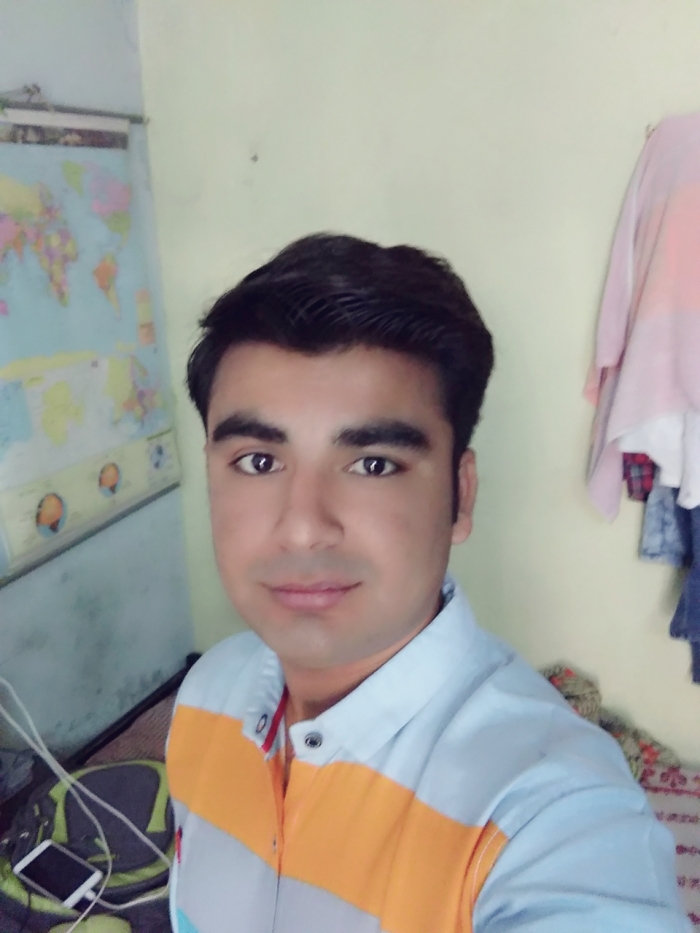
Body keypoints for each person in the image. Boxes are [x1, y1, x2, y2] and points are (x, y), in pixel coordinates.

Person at [167, 233, 689, 933]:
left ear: (460, 495)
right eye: (259, 461)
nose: (303, 528)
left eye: (373, 464)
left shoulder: (551, 811)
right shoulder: (207, 693)